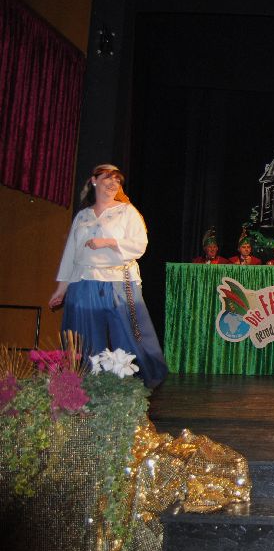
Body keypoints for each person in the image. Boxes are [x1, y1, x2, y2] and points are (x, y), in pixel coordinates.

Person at [48, 164, 168, 388]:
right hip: (84, 283)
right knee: (86, 341)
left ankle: (130, 388)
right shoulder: (82, 216)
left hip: (119, 283)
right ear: (94, 181)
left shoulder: (127, 212)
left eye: (117, 180)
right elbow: (71, 255)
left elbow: (140, 245)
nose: (114, 183)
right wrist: (61, 289)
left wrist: (108, 242)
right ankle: (89, 389)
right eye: (108, 178)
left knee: (129, 338)